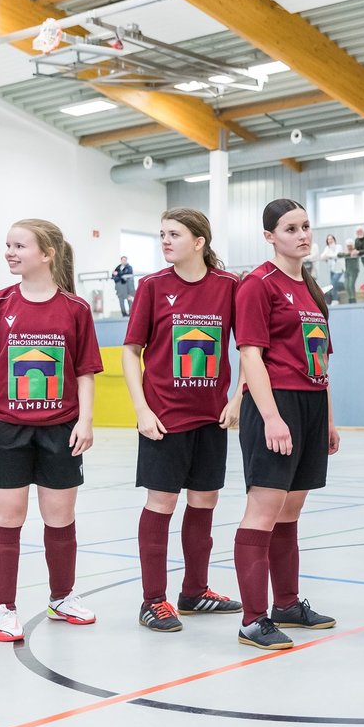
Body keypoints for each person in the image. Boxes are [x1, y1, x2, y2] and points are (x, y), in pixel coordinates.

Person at [0, 219, 104, 642]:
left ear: (47, 253)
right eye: (7, 245)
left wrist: (86, 420)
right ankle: (3, 608)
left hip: (60, 429)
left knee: (60, 518)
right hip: (3, 428)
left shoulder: (76, 309)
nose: (10, 253)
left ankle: (62, 597)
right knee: (7, 517)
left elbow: (86, 370)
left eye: (19, 246)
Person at [123, 208, 243, 632]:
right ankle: (152, 600)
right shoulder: (152, 286)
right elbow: (129, 350)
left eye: (174, 234)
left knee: (204, 502)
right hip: (164, 417)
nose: (165, 241)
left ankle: (194, 592)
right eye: (161, 234)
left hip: (211, 418)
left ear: (199, 242)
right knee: (162, 503)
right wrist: (141, 409)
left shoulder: (229, 286)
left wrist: (238, 396)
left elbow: (250, 347)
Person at [230, 199, 341, 650]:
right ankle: (253, 619)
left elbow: (323, 361)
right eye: (291, 228)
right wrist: (272, 415)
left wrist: (328, 419)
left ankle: (287, 604)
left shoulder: (311, 289)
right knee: (264, 508)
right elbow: (250, 355)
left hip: (312, 405)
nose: (302, 234)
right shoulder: (258, 285)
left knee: (290, 511)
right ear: (270, 236)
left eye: (306, 226)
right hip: (275, 404)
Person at [322, 233, 345, 303]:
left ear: (334, 240)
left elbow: (336, 255)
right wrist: (329, 256)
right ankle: (343, 286)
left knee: (333, 283)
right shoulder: (327, 248)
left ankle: (335, 299)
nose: (330, 240)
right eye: (328, 239)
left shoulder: (338, 246)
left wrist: (328, 255)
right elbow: (322, 257)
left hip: (339, 269)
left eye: (331, 239)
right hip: (332, 269)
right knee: (333, 284)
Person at [354, 226, 364, 299]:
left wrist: (359, 252)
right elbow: (356, 249)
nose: (359, 233)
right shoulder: (357, 240)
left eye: (360, 231)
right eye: (357, 232)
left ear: (363, 231)